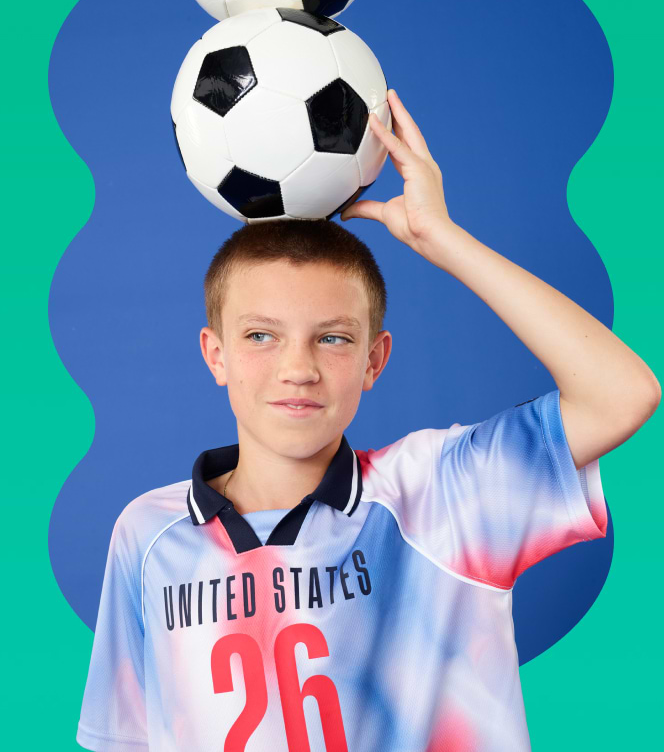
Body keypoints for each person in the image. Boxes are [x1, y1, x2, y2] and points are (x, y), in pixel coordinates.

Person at [76, 88, 660, 751]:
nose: (298, 368)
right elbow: (123, 741)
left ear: (375, 360)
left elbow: (622, 395)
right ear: (216, 354)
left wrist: (443, 240)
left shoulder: (441, 495)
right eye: (261, 336)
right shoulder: (149, 535)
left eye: (332, 338)